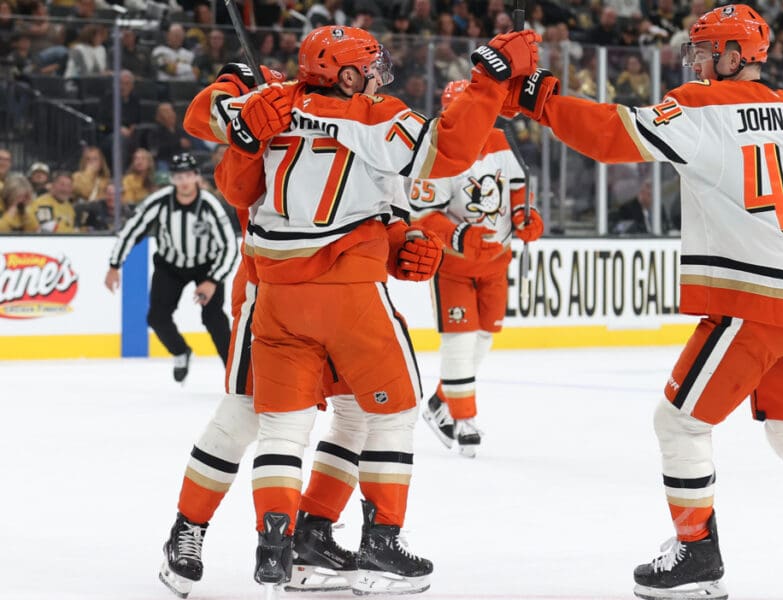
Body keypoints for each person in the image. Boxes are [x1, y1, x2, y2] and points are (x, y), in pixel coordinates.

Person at [503, 5, 783, 599]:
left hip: (753, 300)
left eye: (707, 51)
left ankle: (696, 557)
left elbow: (613, 135)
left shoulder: (702, 105)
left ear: (735, 55)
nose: (698, 62)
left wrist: (541, 98)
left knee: (680, 423)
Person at [204, 25, 539, 591]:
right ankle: (380, 543)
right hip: (344, 289)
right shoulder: (371, 116)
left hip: (278, 295)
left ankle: (282, 546)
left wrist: (231, 107)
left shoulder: (271, 107)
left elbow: (234, 183)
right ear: (348, 74)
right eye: (370, 68)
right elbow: (444, 152)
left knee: (286, 426)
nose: (380, 78)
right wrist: (490, 82)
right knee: (394, 409)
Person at [157, 61, 445, 599]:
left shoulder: (355, 113)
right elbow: (228, 171)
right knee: (247, 413)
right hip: (271, 282)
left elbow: (376, 207)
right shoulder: (267, 85)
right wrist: (244, 131)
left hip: (339, 290)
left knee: (357, 411)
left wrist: (402, 241)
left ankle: (311, 532)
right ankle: (188, 530)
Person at [410, 79, 543, 458]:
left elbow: (518, 187)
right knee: (460, 340)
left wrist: (524, 216)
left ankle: (439, 403)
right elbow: (421, 215)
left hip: (496, 262)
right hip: (453, 266)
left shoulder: (500, 141)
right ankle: (462, 419)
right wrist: (458, 235)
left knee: (483, 338)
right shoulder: (435, 153)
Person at [105, 152, 238, 383]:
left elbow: (229, 246)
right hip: (170, 265)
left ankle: (234, 374)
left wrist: (213, 280)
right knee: (157, 317)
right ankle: (180, 352)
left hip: (206, 266)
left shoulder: (209, 205)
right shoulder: (160, 201)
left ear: (197, 177)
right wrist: (114, 265)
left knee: (214, 318)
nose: (184, 181)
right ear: (171, 179)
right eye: (178, 176)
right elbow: (132, 230)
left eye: (188, 175)